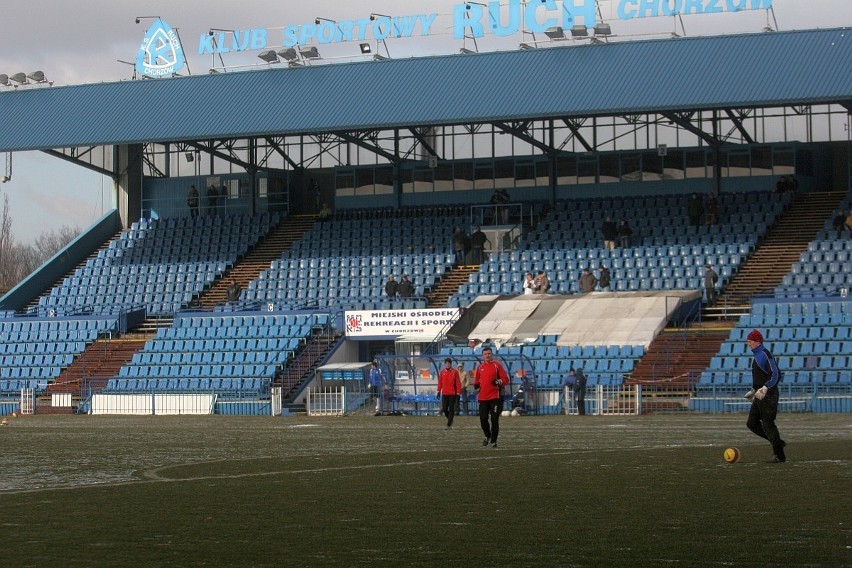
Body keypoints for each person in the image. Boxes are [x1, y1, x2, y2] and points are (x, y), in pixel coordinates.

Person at [744, 330, 786, 463]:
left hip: (768, 395)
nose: (748, 344)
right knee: (752, 423)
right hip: (759, 394)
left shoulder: (764, 354)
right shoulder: (757, 355)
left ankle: (779, 455)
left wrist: (766, 387)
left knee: (768, 423)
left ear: (757, 342)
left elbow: (776, 374)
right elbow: (760, 376)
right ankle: (777, 442)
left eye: (750, 341)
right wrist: (753, 390)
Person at [474, 346, 509, 448]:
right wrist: (476, 385)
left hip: (495, 397)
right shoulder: (480, 367)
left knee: (494, 419)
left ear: (492, 354)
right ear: (482, 356)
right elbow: (477, 380)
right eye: (485, 354)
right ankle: (487, 435)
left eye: (489, 353)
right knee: (483, 419)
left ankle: (494, 441)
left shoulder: (497, 365)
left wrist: (498, 381)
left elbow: (506, 379)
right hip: (483, 398)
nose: (487, 356)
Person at [437, 358, 462, 429]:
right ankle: (450, 420)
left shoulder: (455, 372)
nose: (447, 364)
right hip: (444, 393)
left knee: (451, 409)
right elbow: (440, 382)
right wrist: (438, 391)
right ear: (444, 364)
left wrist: (458, 393)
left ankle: (449, 424)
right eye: (446, 363)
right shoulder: (442, 372)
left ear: (451, 364)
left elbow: (458, 383)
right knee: (444, 409)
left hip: (452, 394)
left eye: (449, 363)